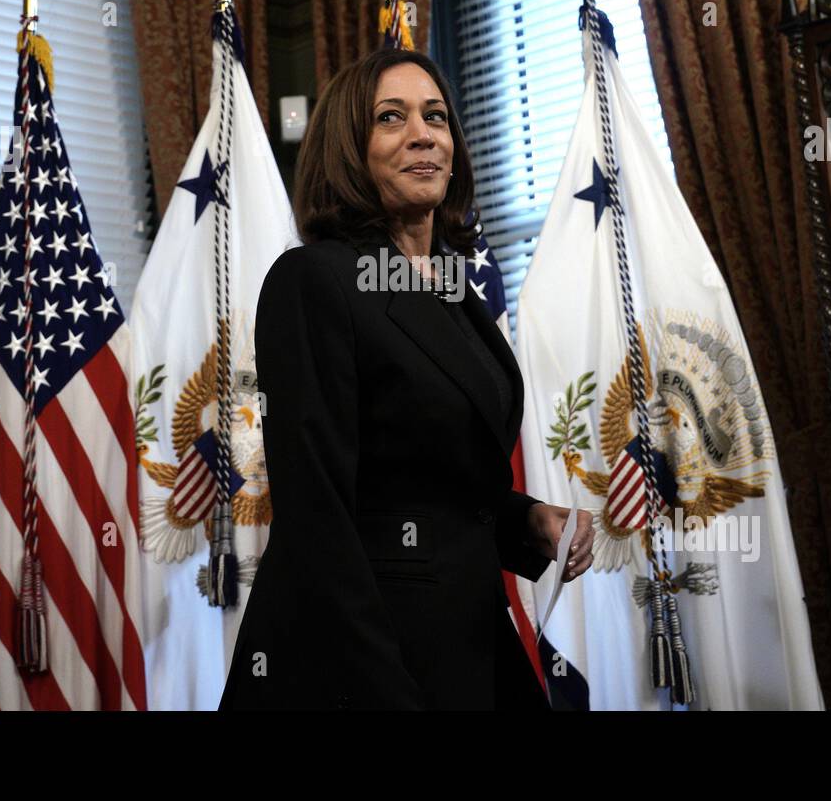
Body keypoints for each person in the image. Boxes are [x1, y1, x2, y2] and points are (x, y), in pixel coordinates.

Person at [218, 47, 593, 710]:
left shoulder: (452, 292)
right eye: (391, 117)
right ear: (346, 148)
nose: (423, 134)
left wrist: (526, 522)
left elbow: (440, 487)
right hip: (364, 667)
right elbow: (319, 520)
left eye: (437, 117)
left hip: (471, 641)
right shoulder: (313, 280)